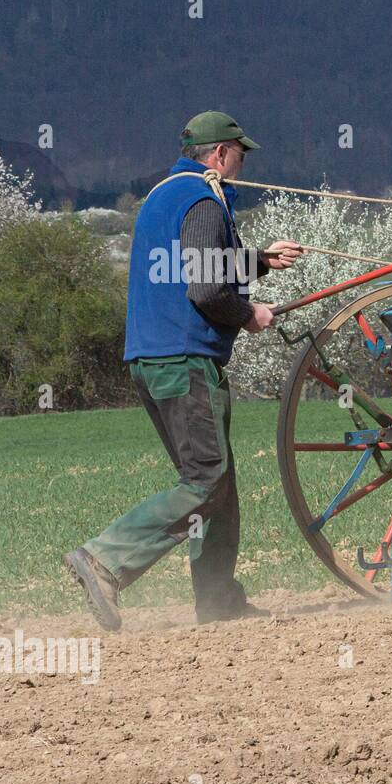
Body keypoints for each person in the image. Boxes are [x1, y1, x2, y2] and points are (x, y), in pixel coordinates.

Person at [64, 111, 303, 629]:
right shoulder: (203, 199)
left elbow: (190, 266)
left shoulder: (164, 195)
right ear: (219, 155)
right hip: (184, 362)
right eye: (240, 153)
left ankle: (219, 602)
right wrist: (250, 314)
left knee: (218, 484)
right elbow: (207, 288)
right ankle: (104, 560)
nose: (243, 163)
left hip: (154, 361)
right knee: (205, 481)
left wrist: (260, 260)